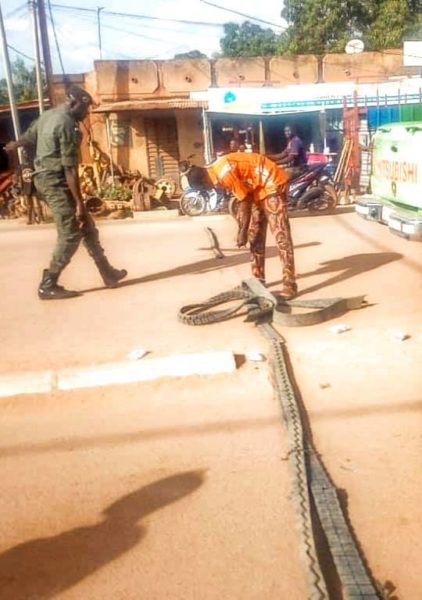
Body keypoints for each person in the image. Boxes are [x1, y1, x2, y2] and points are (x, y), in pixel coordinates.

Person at [6, 85, 127, 300]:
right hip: (55, 182)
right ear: (75, 103)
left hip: (46, 178)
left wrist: (12, 145)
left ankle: (107, 272)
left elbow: (28, 137)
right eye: (85, 108)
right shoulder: (68, 125)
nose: (86, 113)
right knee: (70, 233)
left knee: (87, 227)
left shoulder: (48, 115)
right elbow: (70, 170)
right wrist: (80, 204)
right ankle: (48, 283)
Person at [181, 152, 297, 300]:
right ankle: (258, 281)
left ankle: (290, 283)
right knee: (255, 236)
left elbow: (244, 201)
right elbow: (245, 197)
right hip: (257, 188)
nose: (209, 190)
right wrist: (244, 229)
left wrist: (242, 231)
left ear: (204, 180)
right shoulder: (215, 170)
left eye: (206, 188)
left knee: (281, 235)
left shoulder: (224, 173)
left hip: (272, 182)